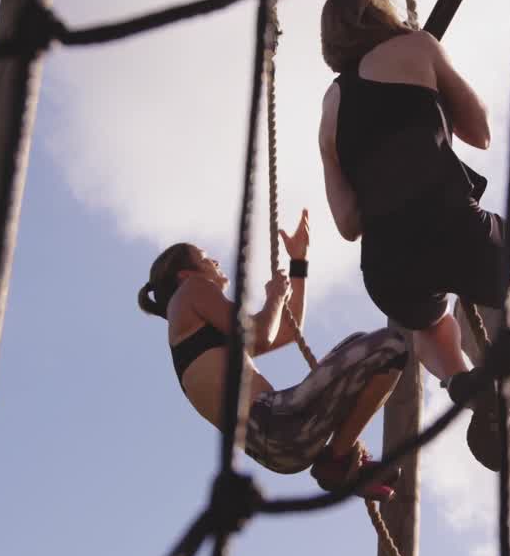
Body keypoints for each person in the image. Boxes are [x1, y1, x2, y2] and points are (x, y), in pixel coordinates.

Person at [317, 0, 510, 466]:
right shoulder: (417, 47)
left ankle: (462, 382)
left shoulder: (331, 107)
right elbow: (479, 131)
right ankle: (508, 381)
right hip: (453, 227)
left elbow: (347, 223)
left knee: (427, 321)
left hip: (385, 266)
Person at [137, 209, 408, 500]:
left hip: (277, 450)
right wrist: (275, 297)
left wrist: (298, 263)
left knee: (360, 344)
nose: (214, 261)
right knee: (390, 347)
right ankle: (337, 459)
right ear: (186, 274)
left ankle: (339, 460)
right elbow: (260, 333)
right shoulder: (191, 290)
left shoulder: (200, 336)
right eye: (204, 258)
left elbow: (288, 333)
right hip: (276, 422)